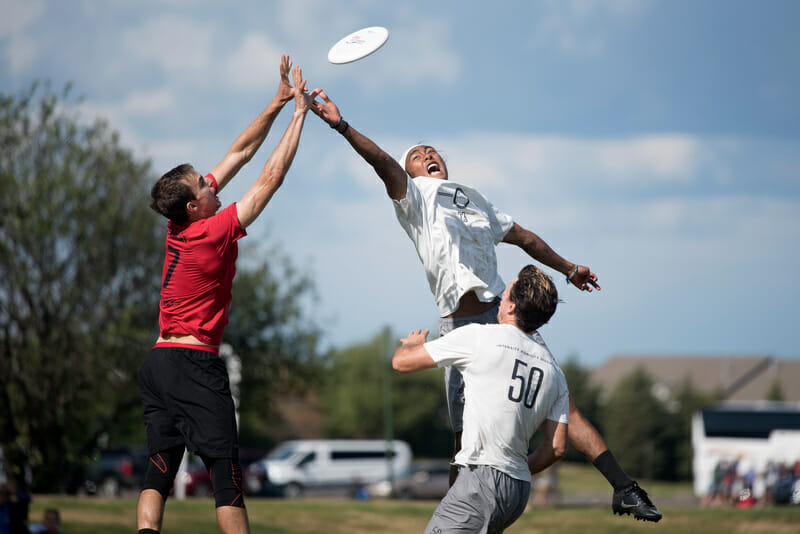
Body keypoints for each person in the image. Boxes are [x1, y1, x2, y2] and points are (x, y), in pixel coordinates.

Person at [308, 90, 662, 522]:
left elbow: (527, 240)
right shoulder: (414, 198)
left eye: (432, 150)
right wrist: (340, 125)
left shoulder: (476, 200)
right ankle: (460, 519)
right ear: (410, 172)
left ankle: (625, 487)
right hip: (459, 323)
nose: (428, 154)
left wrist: (570, 269)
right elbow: (380, 160)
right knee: (463, 441)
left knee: (564, 405)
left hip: (503, 317)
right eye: (417, 154)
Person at [137, 55, 311, 534]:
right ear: (195, 205)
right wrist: (299, 116)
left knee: (159, 469)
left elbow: (239, 152)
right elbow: (268, 180)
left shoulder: (178, 225)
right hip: (194, 365)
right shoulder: (213, 234)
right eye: (203, 185)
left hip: (158, 363)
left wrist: (275, 102)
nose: (211, 183)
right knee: (225, 475)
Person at [393, 265, 569, 533]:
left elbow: (401, 363)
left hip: (481, 480)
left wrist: (411, 346)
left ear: (511, 307)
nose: (498, 299)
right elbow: (556, 448)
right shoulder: (554, 371)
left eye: (505, 293)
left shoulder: (479, 337)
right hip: (518, 491)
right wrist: (515, 469)